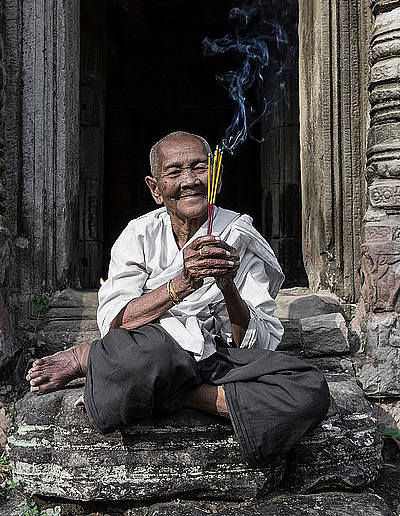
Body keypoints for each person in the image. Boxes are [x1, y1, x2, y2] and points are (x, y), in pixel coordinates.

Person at [26, 131, 330, 467]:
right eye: (174, 173)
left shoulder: (239, 235)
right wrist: (182, 284)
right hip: (158, 351)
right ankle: (113, 364)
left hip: (216, 357)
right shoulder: (139, 234)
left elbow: (254, 347)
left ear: (214, 176)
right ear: (155, 189)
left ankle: (161, 387)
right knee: (144, 355)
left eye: (200, 168)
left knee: (310, 389)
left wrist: (228, 288)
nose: (189, 181)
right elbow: (116, 322)